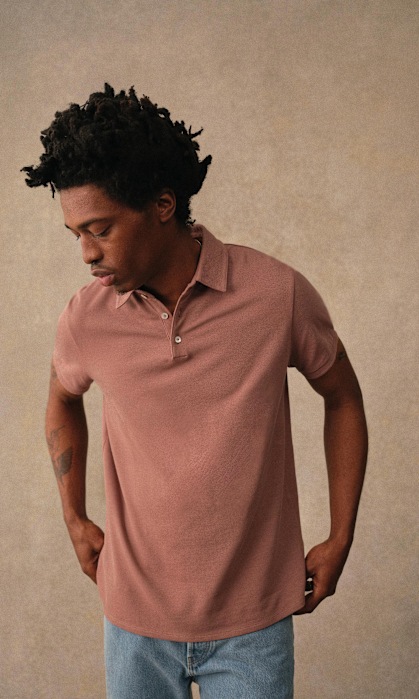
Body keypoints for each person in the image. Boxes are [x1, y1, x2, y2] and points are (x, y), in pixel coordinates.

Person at [22, 84, 368, 699]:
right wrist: (73, 516)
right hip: (133, 623)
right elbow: (62, 400)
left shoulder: (276, 294)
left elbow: (343, 397)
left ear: (163, 204)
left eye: (100, 229)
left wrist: (341, 536)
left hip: (254, 624)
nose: (86, 253)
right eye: (75, 233)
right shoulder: (86, 317)